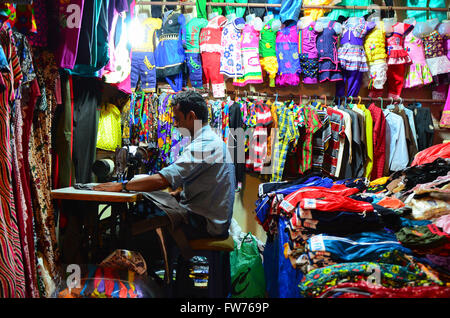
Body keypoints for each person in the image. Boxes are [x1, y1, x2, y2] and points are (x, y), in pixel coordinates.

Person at [93, 90, 236, 240]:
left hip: (205, 225)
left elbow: (163, 180)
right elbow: (208, 186)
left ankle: (138, 261)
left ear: (191, 116)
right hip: (211, 220)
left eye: (177, 118)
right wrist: (179, 195)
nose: (175, 124)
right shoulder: (211, 140)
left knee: (135, 218)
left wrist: (122, 186)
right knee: (144, 210)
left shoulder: (204, 145)